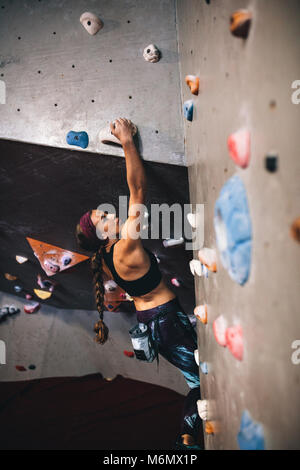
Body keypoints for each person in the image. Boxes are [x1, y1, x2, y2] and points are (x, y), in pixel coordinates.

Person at [75, 118, 203, 450]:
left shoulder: (102, 259)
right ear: (103, 235)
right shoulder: (126, 246)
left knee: (200, 378)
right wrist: (128, 142)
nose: (107, 213)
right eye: (102, 218)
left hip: (156, 323)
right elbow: (138, 190)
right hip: (165, 324)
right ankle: (186, 445)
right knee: (202, 384)